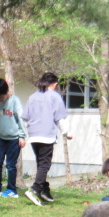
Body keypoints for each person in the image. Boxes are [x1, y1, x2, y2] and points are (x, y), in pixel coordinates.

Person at [22, 72, 72, 206]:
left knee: (41, 163)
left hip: (33, 134)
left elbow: (25, 118)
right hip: (46, 135)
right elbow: (60, 118)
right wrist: (67, 132)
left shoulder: (33, 96)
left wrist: (25, 133)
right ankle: (35, 189)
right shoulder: (55, 96)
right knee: (45, 164)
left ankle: (45, 190)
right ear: (55, 84)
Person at [0, 78, 26, 198]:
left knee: (10, 165)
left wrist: (22, 136)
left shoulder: (15, 101)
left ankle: (12, 190)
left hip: (14, 139)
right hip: (2, 139)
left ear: (7, 91)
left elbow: (21, 120)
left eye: (0, 97)